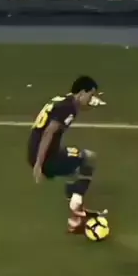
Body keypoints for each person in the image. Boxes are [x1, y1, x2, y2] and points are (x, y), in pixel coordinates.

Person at [27, 75, 107, 233]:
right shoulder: (68, 108)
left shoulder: (63, 101)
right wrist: (39, 164)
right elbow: (48, 133)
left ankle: (76, 210)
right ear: (81, 92)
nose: (91, 99)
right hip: (46, 156)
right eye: (90, 95)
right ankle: (76, 215)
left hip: (40, 150)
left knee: (75, 170)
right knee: (88, 159)